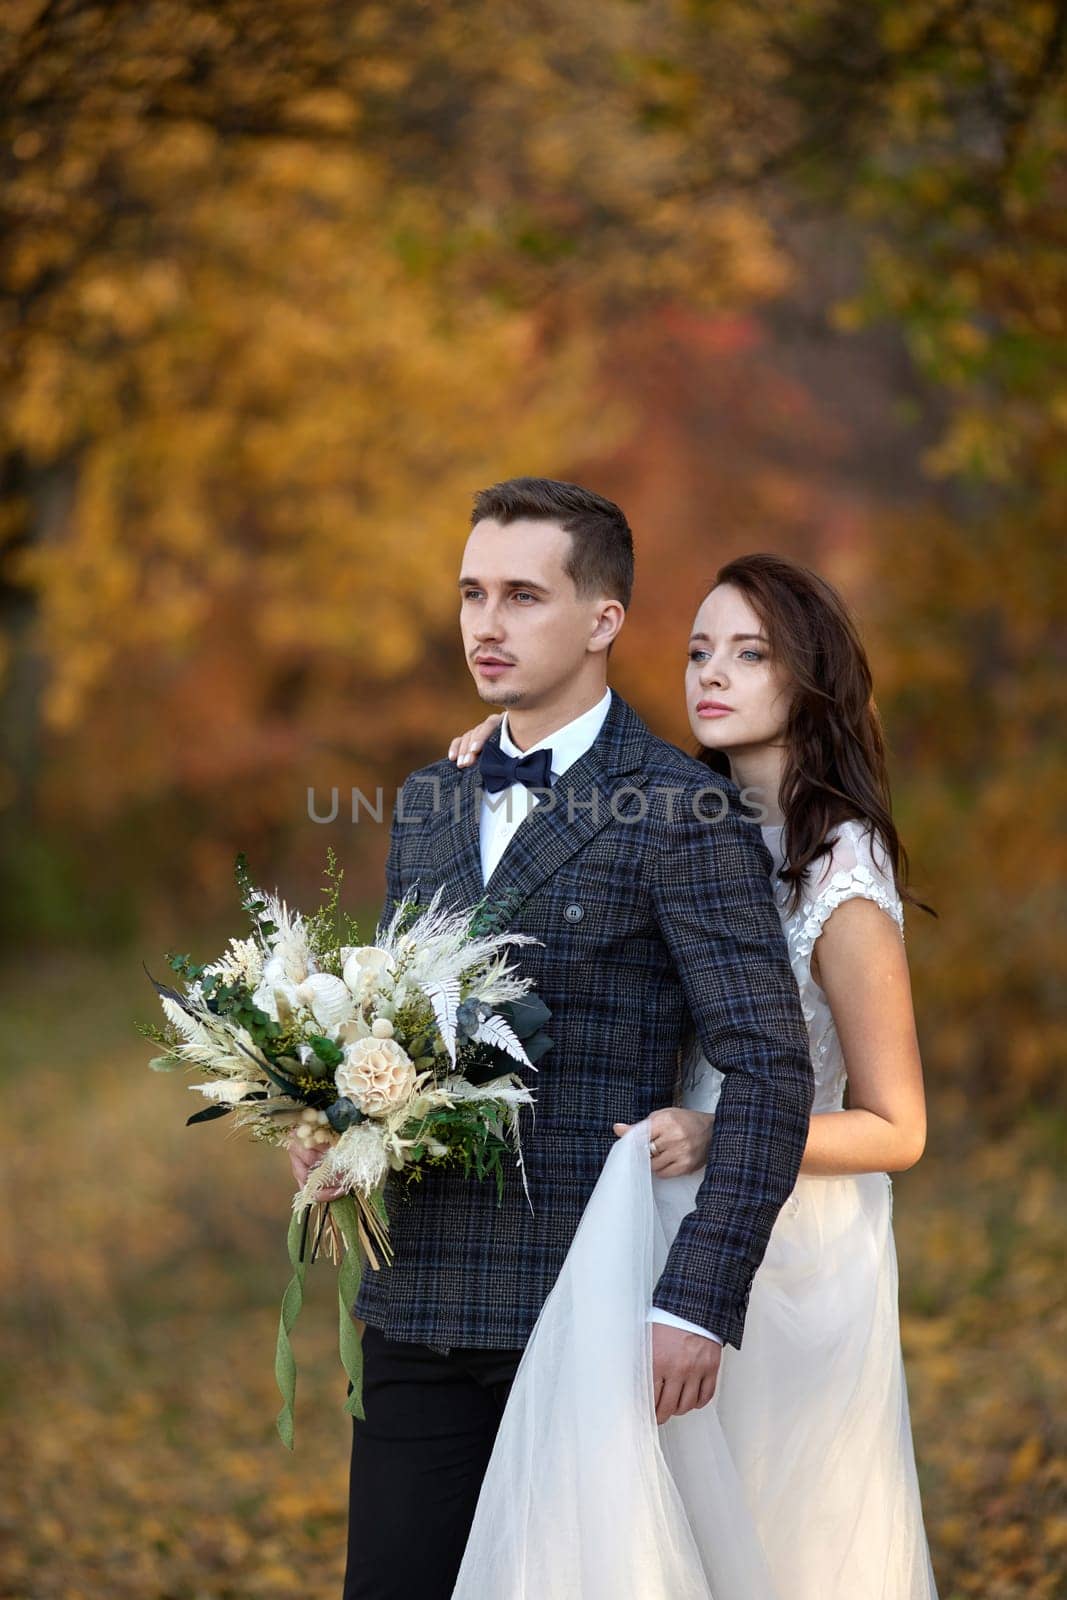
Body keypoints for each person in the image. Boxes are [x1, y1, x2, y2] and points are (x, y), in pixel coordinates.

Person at [291, 480, 813, 1600]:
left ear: (602, 620)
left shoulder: (681, 810)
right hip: (419, 1298)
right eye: (472, 592)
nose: (486, 621)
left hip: (590, 1307)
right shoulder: (429, 797)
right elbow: (404, 1030)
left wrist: (695, 1301)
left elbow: (770, 1063)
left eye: (522, 595)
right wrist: (339, 1124)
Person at [446, 552, 939, 1599]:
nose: (709, 674)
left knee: (765, 1539)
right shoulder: (684, 817)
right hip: (664, 1204)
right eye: (697, 650)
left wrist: (727, 1135)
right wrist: (497, 751)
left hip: (792, 1249)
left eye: (749, 653)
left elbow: (896, 1127)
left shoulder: (841, 873)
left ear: (808, 678)